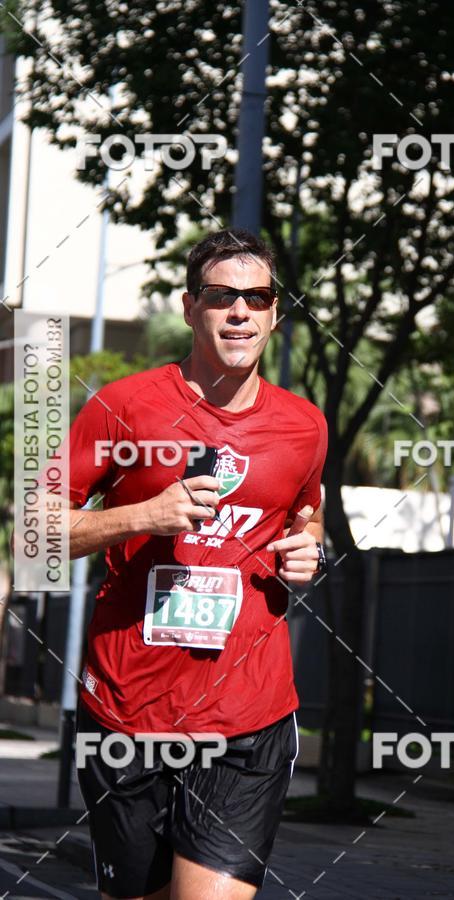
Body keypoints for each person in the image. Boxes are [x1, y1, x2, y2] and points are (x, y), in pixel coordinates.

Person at [65, 228, 328, 900]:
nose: (239, 311)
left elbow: (304, 515)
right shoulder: (123, 408)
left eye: (256, 297)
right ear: (190, 308)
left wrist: (309, 549)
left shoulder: (305, 426)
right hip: (128, 710)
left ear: (275, 313)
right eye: (220, 296)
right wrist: (142, 516)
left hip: (248, 715)